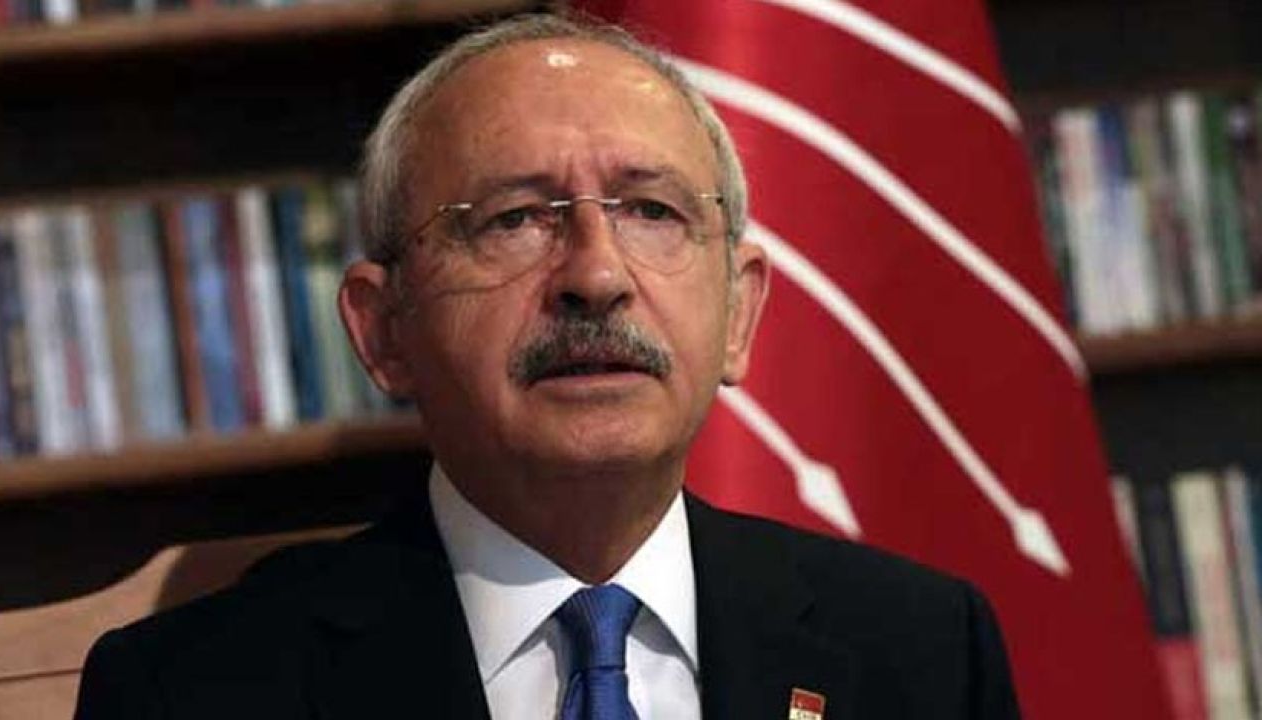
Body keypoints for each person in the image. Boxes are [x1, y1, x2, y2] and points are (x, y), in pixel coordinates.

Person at [75, 12, 1020, 720]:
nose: (597, 277)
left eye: (651, 211)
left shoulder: (924, 652)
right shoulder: (188, 692)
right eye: (515, 219)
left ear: (739, 312)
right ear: (383, 330)